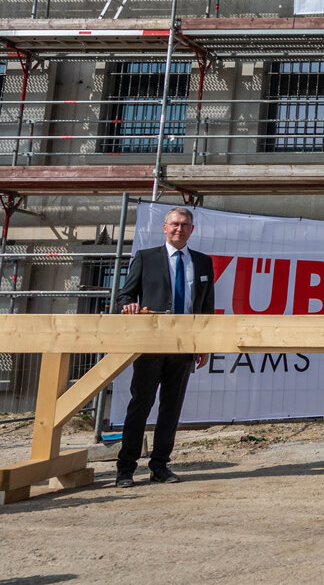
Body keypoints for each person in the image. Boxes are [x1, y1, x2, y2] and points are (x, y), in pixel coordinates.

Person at [114, 206, 215, 488]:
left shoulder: (203, 263)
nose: (178, 229)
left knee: (171, 409)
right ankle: (125, 469)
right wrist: (128, 306)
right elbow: (124, 295)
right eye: (174, 224)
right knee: (140, 407)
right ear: (164, 227)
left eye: (184, 225)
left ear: (191, 230)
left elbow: (206, 307)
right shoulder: (146, 259)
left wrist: (204, 344)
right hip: (150, 347)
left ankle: (160, 465)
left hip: (183, 349)